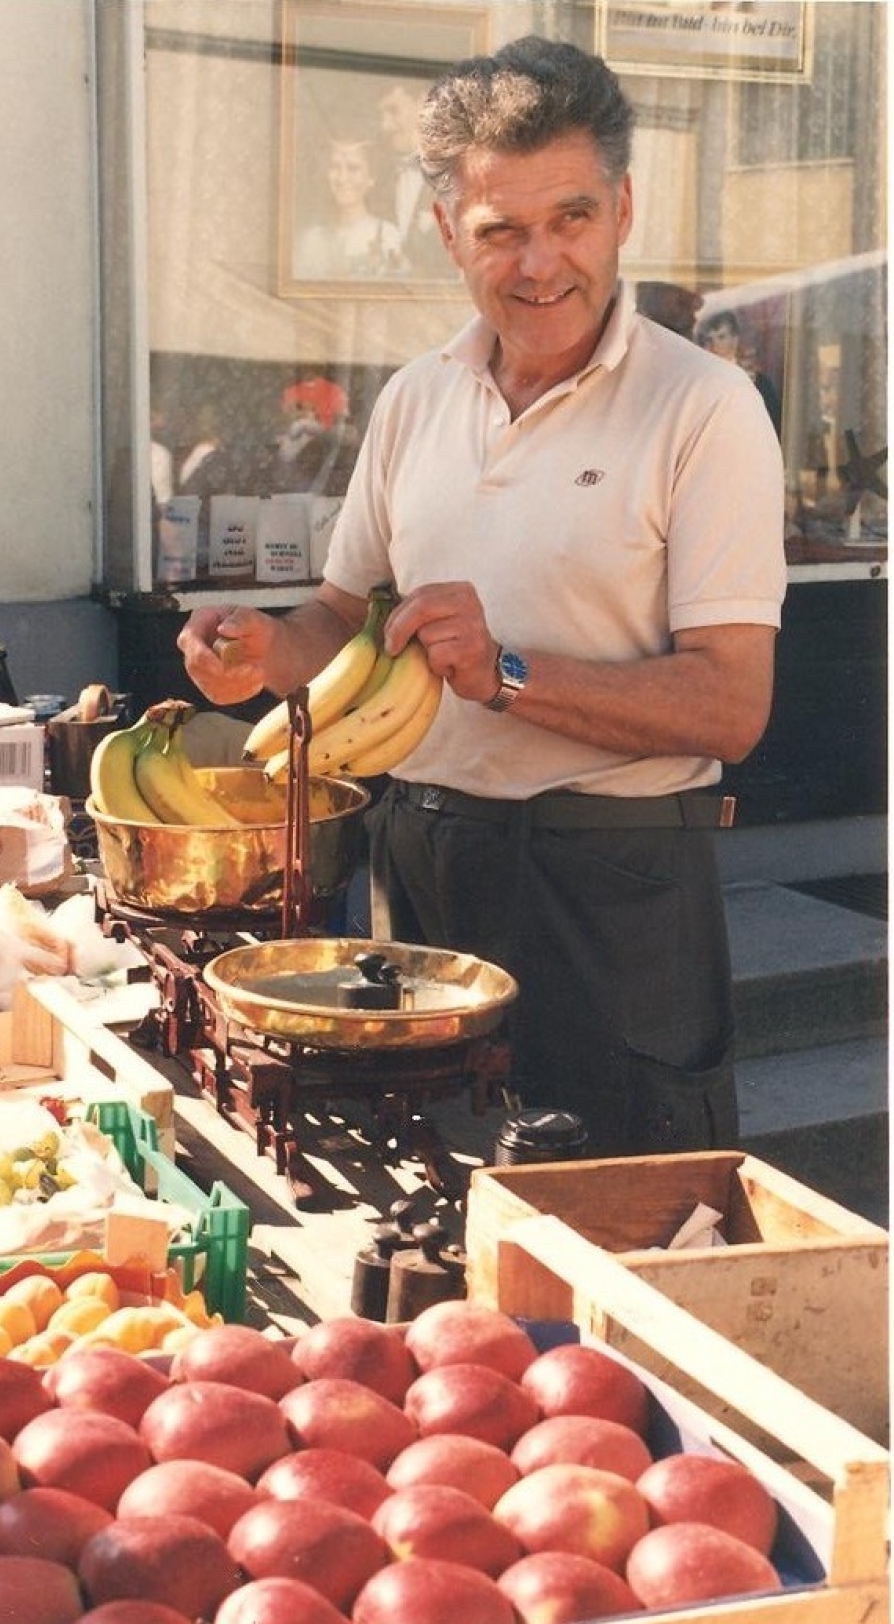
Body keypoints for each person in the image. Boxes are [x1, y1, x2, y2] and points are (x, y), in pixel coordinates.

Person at [179, 36, 786, 1158]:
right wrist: (258, 650)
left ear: (623, 208)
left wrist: (504, 672)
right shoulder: (416, 398)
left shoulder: (705, 409)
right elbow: (335, 620)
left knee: (624, 1225)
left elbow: (729, 707)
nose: (539, 262)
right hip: (419, 859)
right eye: (500, 230)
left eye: (570, 218)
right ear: (447, 232)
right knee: (418, 1206)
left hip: (615, 879)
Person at [294, 136, 404, 281]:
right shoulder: (311, 239)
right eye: (335, 167)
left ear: (371, 177)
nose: (342, 178)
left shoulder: (388, 236)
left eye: (353, 168)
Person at [376, 81, 453, 278]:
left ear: (424, 103)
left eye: (393, 111)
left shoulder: (457, 173)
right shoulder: (377, 179)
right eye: (381, 116)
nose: (385, 126)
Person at [697, 308, 782, 435]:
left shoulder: (759, 383)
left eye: (721, 337)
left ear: (735, 339)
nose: (714, 345)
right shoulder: (698, 383)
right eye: (709, 339)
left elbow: (773, 424)